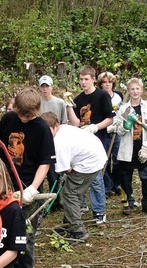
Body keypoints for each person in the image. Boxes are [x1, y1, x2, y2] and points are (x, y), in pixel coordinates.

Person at [0, 87, 55, 268]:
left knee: (25, 234)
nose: (23, 118)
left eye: (28, 115)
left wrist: (33, 188)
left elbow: (45, 163)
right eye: (20, 114)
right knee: (1, 230)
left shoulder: (42, 128)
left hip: (28, 189)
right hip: (4, 186)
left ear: (36, 111)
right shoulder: (8, 119)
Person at [41, 112, 106, 243]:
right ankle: (69, 223)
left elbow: (66, 169)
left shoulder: (59, 143)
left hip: (90, 163)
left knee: (70, 194)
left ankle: (78, 231)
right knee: (72, 192)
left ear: (56, 126)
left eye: (48, 131)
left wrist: (70, 172)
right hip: (94, 155)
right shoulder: (63, 129)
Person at [65, 65, 114, 224]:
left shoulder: (102, 96)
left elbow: (110, 118)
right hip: (82, 143)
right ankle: (81, 205)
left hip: (99, 140)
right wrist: (69, 106)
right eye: (81, 79)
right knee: (79, 174)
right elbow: (76, 123)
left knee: (96, 178)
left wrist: (95, 127)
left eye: (86, 79)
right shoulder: (79, 99)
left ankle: (99, 210)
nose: (83, 82)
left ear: (93, 79)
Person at [107, 78, 147, 214]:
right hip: (127, 149)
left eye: (137, 89)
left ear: (141, 90)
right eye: (132, 89)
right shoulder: (124, 108)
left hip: (143, 148)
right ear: (128, 91)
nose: (135, 91)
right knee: (125, 177)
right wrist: (125, 126)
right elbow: (118, 129)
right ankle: (128, 203)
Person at [38, 75, 67, 203]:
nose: (45, 89)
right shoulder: (37, 103)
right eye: (42, 86)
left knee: (54, 172)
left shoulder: (59, 103)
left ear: (51, 87)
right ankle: (40, 198)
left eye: (47, 86)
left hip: (56, 139)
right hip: (41, 141)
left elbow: (64, 121)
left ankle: (55, 199)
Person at [97, 72, 125, 197]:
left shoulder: (118, 96)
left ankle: (116, 184)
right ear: (101, 84)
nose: (107, 84)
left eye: (110, 82)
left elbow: (121, 112)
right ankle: (107, 187)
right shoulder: (99, 97)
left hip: (117, 131)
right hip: (105, 132)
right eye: (104, 82)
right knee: (105, 160)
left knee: (118, 159)